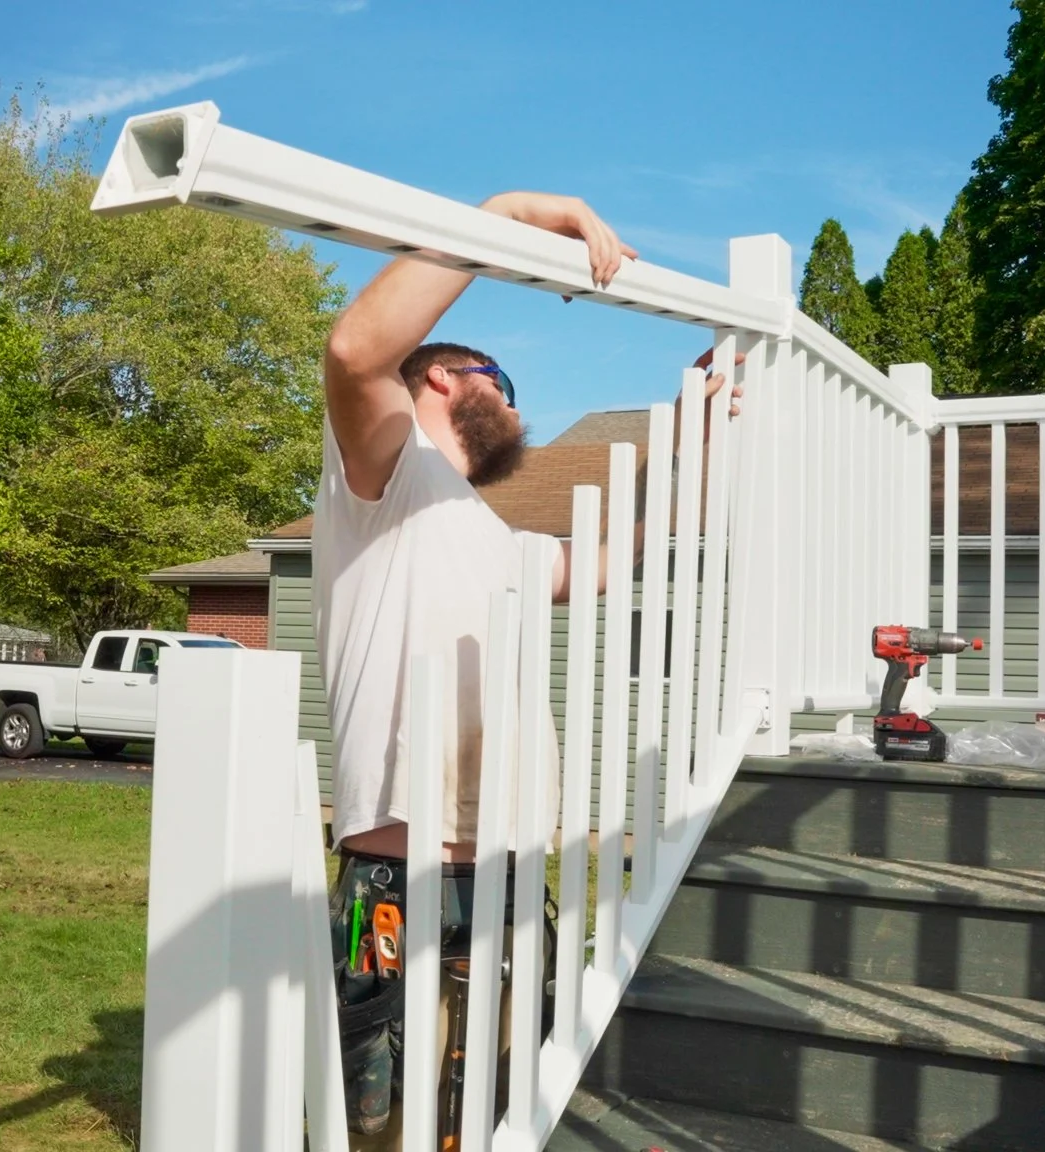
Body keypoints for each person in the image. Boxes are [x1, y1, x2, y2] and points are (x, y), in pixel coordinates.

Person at [314, 190, 738, 1139]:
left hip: (509, 879)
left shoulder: (490, 534)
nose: (517, 402)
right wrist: (510, 215)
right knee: (375, 1117)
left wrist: (695, 426)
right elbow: (353, 350)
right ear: (439, 381)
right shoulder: (380, 476)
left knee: (504, 1115)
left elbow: (609, 555)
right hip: (393, 881)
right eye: (498, 378)